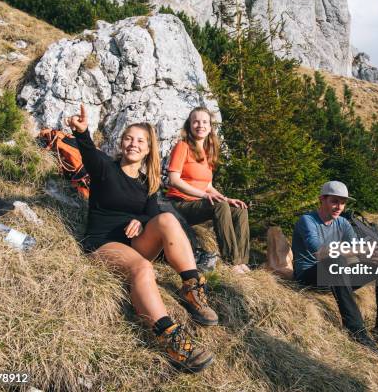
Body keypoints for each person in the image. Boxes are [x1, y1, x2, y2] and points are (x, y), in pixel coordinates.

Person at [65, 104, 217, 372]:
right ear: (121, 142)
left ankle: (192, 288)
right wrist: (82, 132)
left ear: (148, 149)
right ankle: (170, 337)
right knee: (143, 267)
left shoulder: (148, 183)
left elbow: (153, 215)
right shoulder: (105, 168)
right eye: (128, 138)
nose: (133, 144)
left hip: (135, 244)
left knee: (167, 219)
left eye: (140, 141)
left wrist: (142, 220)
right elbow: (88, 151)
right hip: (103, 243)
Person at [291, 181, 378, 354]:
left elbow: (357, 250)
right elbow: (321, 253)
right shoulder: (307, 220)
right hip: (309, 276)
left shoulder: (343, 223)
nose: (339, 206)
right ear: (322, 199)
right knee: (335, 259)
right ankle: (356, 331)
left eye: (342, 202)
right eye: (334, 201)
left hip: (336, 276)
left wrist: (373, 253)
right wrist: (357, 250)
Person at [166, 107, 250, 273]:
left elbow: (208, 185)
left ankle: (242, 261)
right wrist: (204, 196)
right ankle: (232, 262)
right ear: (189, 125)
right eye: (195, 121)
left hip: (199, 202)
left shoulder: (207, 152)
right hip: (179, 204)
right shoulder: (182, 146)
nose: (200, 125)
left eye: (205, 122)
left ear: (210, 127)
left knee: (239, 209)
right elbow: (173, 180)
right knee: (220, 206)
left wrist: (226, 198)